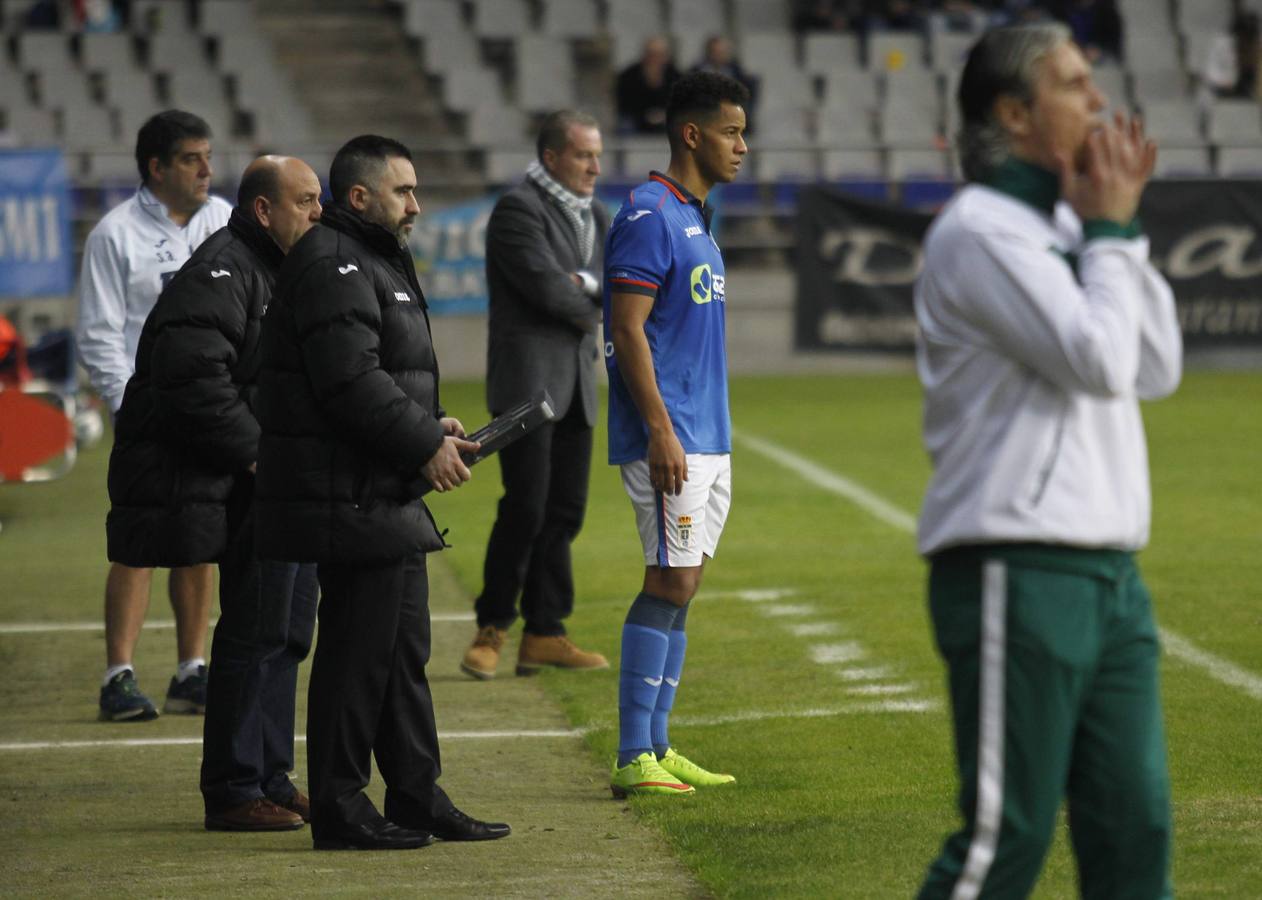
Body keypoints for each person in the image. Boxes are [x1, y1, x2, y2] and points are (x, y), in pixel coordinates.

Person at [913, 24, 1180, 897]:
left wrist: (1120, 232)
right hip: (1015, 563)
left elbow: (1155, 366)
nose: (1098, 102)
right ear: (1014, 113)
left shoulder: (1068, 222)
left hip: (1109, 573)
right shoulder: (981, 231)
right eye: (1074, 85)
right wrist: (1108, 236)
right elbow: (1101, 358)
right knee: (1004, 842)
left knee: (1134, 833)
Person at [255, 135, 510, 851]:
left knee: (400, 653)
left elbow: (373, 378)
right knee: (354, 655)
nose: (418, 205)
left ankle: (416, 793)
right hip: (347, 494)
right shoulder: (334, 261)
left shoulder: (364, 258)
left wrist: (430, 424)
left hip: (377, 490)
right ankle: (338, 807)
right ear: (360, 196)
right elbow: (349, 385)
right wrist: (423, 443)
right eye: (404, 191)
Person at [105, 155, 322, 831]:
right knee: (254, 632)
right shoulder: (224, 270)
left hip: (277, 486)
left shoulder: (274, 269)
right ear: (265, 210)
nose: (318, 213)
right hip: (242, 486)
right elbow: (193, 378)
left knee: (285, 632)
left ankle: (270, 775)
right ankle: (232, 789)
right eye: (306, 201)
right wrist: (264, 456)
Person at [603, 71, 749, 798]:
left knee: (682, 585)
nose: (742, 147)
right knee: (667, 580)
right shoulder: (649, 214)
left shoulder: (695, 216)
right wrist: (660, 430)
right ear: (692, 134)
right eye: (731, 131)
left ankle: (658, 744)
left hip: (706, 433)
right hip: (673, 437)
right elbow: (626, 330)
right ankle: (634, 753)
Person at [77, 109, 231, 722]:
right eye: (192, 158)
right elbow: (97, 333)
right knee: (138, 543)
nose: (206, 169)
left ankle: (191, 670)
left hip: (213, 408)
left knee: (199, 541)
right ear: (157, 167)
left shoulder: (225, 221)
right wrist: (127, 403)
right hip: (148, 414)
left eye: (208, 156)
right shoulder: (114, 235)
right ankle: (119, 675)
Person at [460, 111, 612, 680]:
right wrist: (590, 296)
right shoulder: (517, 209)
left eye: (597, 155)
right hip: (528, 385)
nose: (596, 166)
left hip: (576, 386)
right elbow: (551, 292)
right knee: (525, 506)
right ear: (551, 157)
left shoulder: (595, 213)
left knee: (565, 512)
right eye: (583, 155)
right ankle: (493, 626)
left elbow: (608, 283)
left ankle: (546, 631)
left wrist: (588, 288)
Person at [615, 36, 681, 134]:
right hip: (636, 117)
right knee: (625, 125)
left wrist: (664, 115)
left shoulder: (675, 75)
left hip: (666, 117)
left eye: (659, 54)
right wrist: (646, 116)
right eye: (651, 54)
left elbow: (680, 103)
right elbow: (624, 104)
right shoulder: (628, 75)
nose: (655, 58)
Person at [691, 37, 758, 132]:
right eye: (716, 52)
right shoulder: (695, 71)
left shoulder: (736, 71)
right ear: (708, 53)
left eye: (723, 52)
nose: (719, 56)